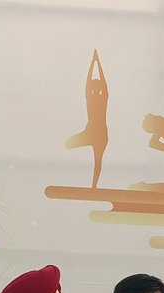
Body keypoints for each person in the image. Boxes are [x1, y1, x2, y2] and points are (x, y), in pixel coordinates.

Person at [64, 50, 109, 190]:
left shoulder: (102, 98)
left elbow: (102, 83)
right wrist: (94, 62)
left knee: (98, 161)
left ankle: (94, 186)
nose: (93, 89)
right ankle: (90, 183)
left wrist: (96, 63)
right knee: (67, 144)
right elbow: (88, 83)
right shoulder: (92, 98)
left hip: (100, 136)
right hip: (90, 134)